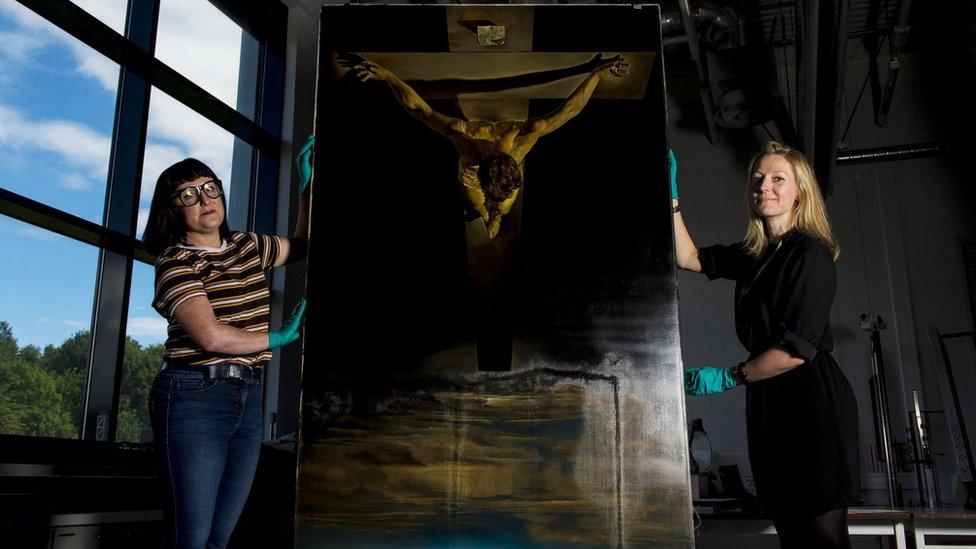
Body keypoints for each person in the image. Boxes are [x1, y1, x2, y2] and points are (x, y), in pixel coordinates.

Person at [674, 142, 859, 548]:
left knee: (822, 538)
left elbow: (797, 350)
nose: (765, 187)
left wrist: (727, 377)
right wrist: (671, 198)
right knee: (791, 534)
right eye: (758, 179)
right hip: (768, 403)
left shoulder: (810, 253)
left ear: (799, 193)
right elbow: (688, 257)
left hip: (810, 403)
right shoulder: (755, 253)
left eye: (778, 178)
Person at [142, 136, 314, 549]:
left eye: (209, 187)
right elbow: (210, 336)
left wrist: (307, 186)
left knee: (220, 537)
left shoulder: (246, 245)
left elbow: (304, 246)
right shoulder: (175, 262)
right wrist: (277, 337)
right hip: (193, 395)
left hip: (246, 392)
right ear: (172, 210)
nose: (204, 199)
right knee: (192, 538)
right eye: (188, 195)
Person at [346, 54, 628, 238]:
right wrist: (388, 76)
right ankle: (484, 215)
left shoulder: (521, 141)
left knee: (504, 207)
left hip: (497, 177)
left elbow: (569, 111)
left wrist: (596, 75)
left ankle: (496, 216)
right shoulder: (465, 141)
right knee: (480, 204)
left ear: (512, 161)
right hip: (471, 177)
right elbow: (420, 111)